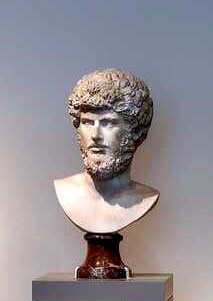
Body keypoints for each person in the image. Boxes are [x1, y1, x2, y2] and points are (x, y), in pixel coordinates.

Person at [54, 69, 159, 236]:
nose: (95, 135)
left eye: (108, 123)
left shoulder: (145, 198)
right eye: (87, 122)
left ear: (134, 131)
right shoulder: (65, 191)